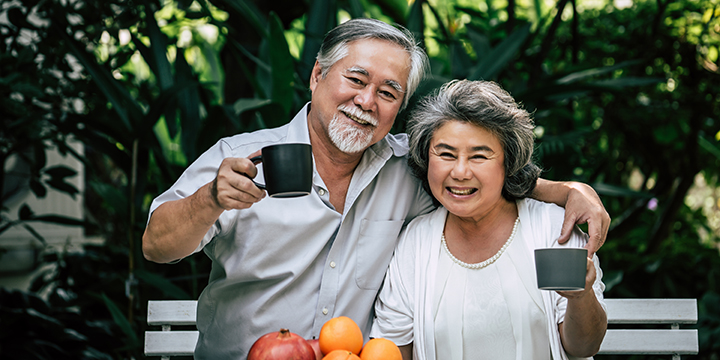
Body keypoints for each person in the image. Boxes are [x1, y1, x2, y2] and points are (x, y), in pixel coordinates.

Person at [142, 19, 610, 359]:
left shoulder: (411, 166)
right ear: (317, 76)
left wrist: (569, 190)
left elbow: (477, 177)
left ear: (398, 107)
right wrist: (210, 199)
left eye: (388, 93)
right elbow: (156, 246)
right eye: (357, 79)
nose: (367, 101)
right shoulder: (242, 158)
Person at [370, 79, 608, 360]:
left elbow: (584, 347)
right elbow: (393, 348)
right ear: (426, 158)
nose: (459, 172)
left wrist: (580, 297)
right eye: (445, 154)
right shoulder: (415, 242)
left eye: (479, 156)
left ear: (508, 162)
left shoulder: (553, 228)